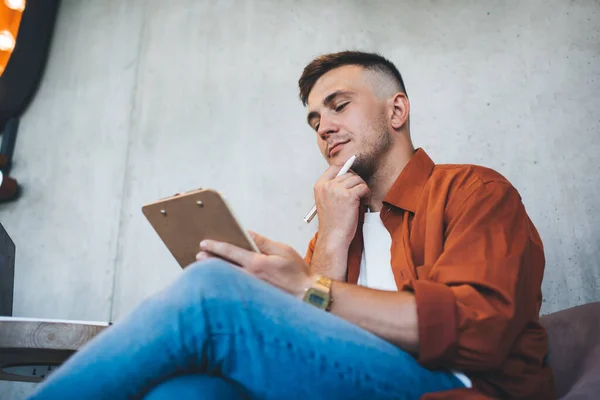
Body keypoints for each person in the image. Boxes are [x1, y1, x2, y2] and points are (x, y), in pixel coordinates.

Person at [29, 51, 553, 400]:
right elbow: (325, 329)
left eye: (339, 105)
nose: (323, 126)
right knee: (185, 393)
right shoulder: (337, 226)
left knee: (212, 290)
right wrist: (328, 242)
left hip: (460, 389)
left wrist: (305, 285)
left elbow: (478, 329)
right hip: (365, 380)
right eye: (313, 119)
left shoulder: (473, 191)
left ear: (397, 111)